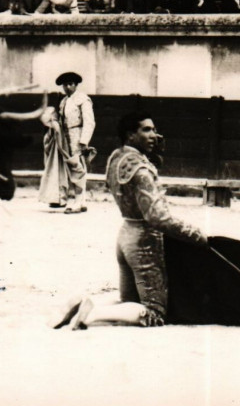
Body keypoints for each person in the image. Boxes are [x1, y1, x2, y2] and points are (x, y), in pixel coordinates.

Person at [56, 111, 209, 329]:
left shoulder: (116, 158)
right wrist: (194, 234)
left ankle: (83, 303)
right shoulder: (142, 169)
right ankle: (93, 312)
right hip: (144, 241)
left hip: (125, 235)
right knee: (154, 311)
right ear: (130, 135)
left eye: (154, 130)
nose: (154, 135)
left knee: (129, 301)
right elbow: (158, 217)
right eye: (146, 130)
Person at [55, 71, 95, 214]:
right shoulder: (64, 101)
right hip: (65, 136)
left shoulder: (83, 99)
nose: (67, 87)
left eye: (70, 84)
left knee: (77, 167)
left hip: (77, 135)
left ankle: (77, 201)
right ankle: (81, 201)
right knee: (72, 167)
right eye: (65, 85)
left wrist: (84, 140)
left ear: (76, 85)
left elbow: (89, 121)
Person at [38, 106, 70, 208]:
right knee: (54, 174)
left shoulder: (56, 126)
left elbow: (59, 140)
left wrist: (61, 150)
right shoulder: (51, 129)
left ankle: (60, 199)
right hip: (53, 155)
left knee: (59, 174)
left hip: (58, 155)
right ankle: (54, 199)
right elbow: (47, 143)